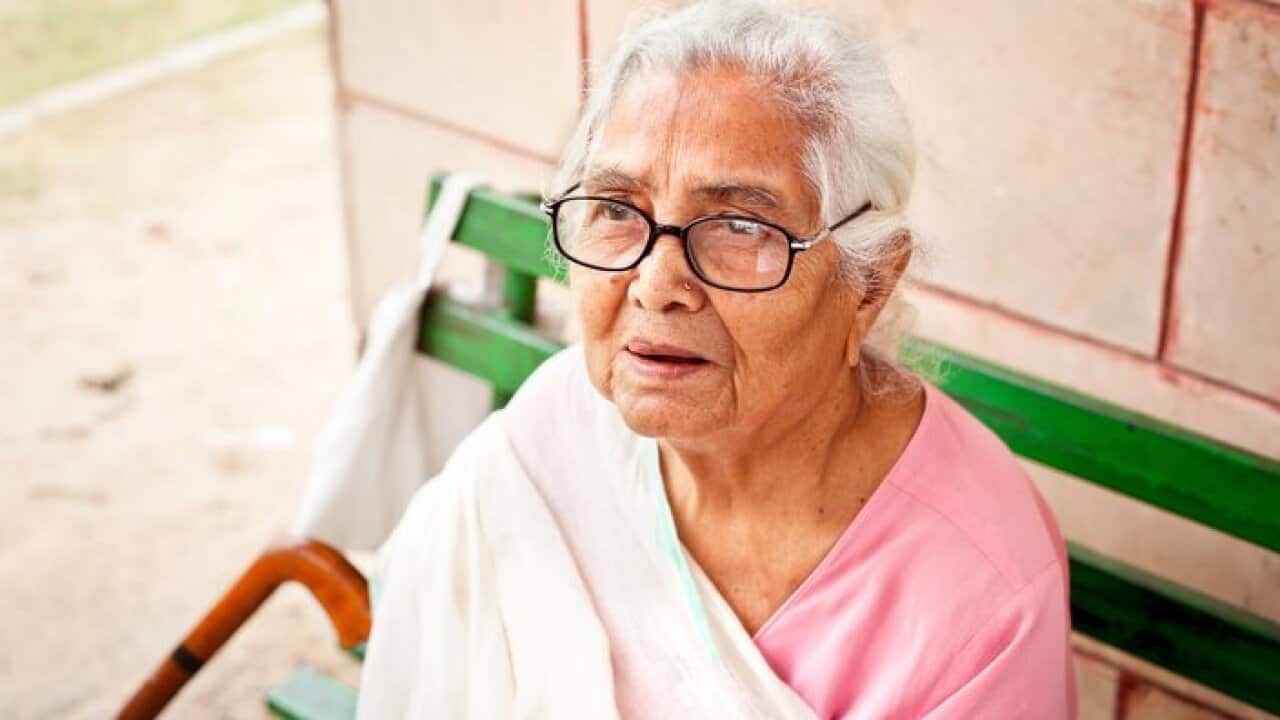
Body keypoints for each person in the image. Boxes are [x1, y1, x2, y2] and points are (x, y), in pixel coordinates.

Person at [357, 1, 1075, 717]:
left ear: (868, 285)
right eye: (614, 207)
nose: (656, 284)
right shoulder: (559, 427)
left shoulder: (980, 590)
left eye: (739, 225)